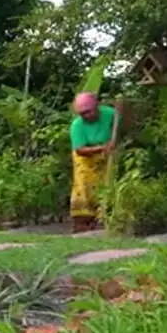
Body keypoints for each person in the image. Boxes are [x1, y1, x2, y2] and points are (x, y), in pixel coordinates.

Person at [68, 92, 119, 233]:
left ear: (97, 106)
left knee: (107, 184)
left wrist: (113, 144)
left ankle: (103, 217)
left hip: (106, 156)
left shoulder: (110, 114)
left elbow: (121, 126)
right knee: (83, 186)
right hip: (85, 158)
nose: (86, 116)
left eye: (89, 112)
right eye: (82, 114)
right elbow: (80, 149)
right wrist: (102, 147)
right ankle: (83, 222)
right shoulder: (77, 125)